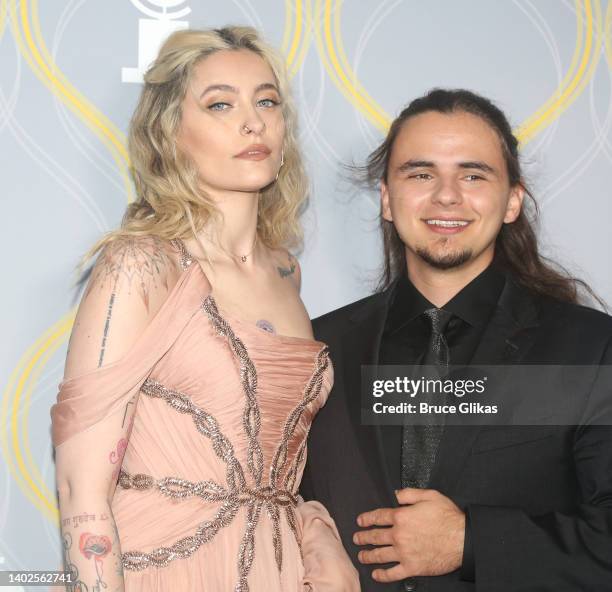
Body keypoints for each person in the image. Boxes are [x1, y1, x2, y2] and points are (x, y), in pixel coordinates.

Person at [51, 27, 358, 592]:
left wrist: (317, 534)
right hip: (164, 567)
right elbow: (81, 490)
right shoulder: (140, 266)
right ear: (171, 134)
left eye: (267, 101)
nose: (253, 122)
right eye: (221, 104)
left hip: (278, 569)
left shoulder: (287, 273)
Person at [300, 88, 612, 590]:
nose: (446, 195)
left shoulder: (590, 350)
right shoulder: (319, 349)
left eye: (472, 174)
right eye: (420, 174)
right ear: (386, 197)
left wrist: (471, 542)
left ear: (512, 200)